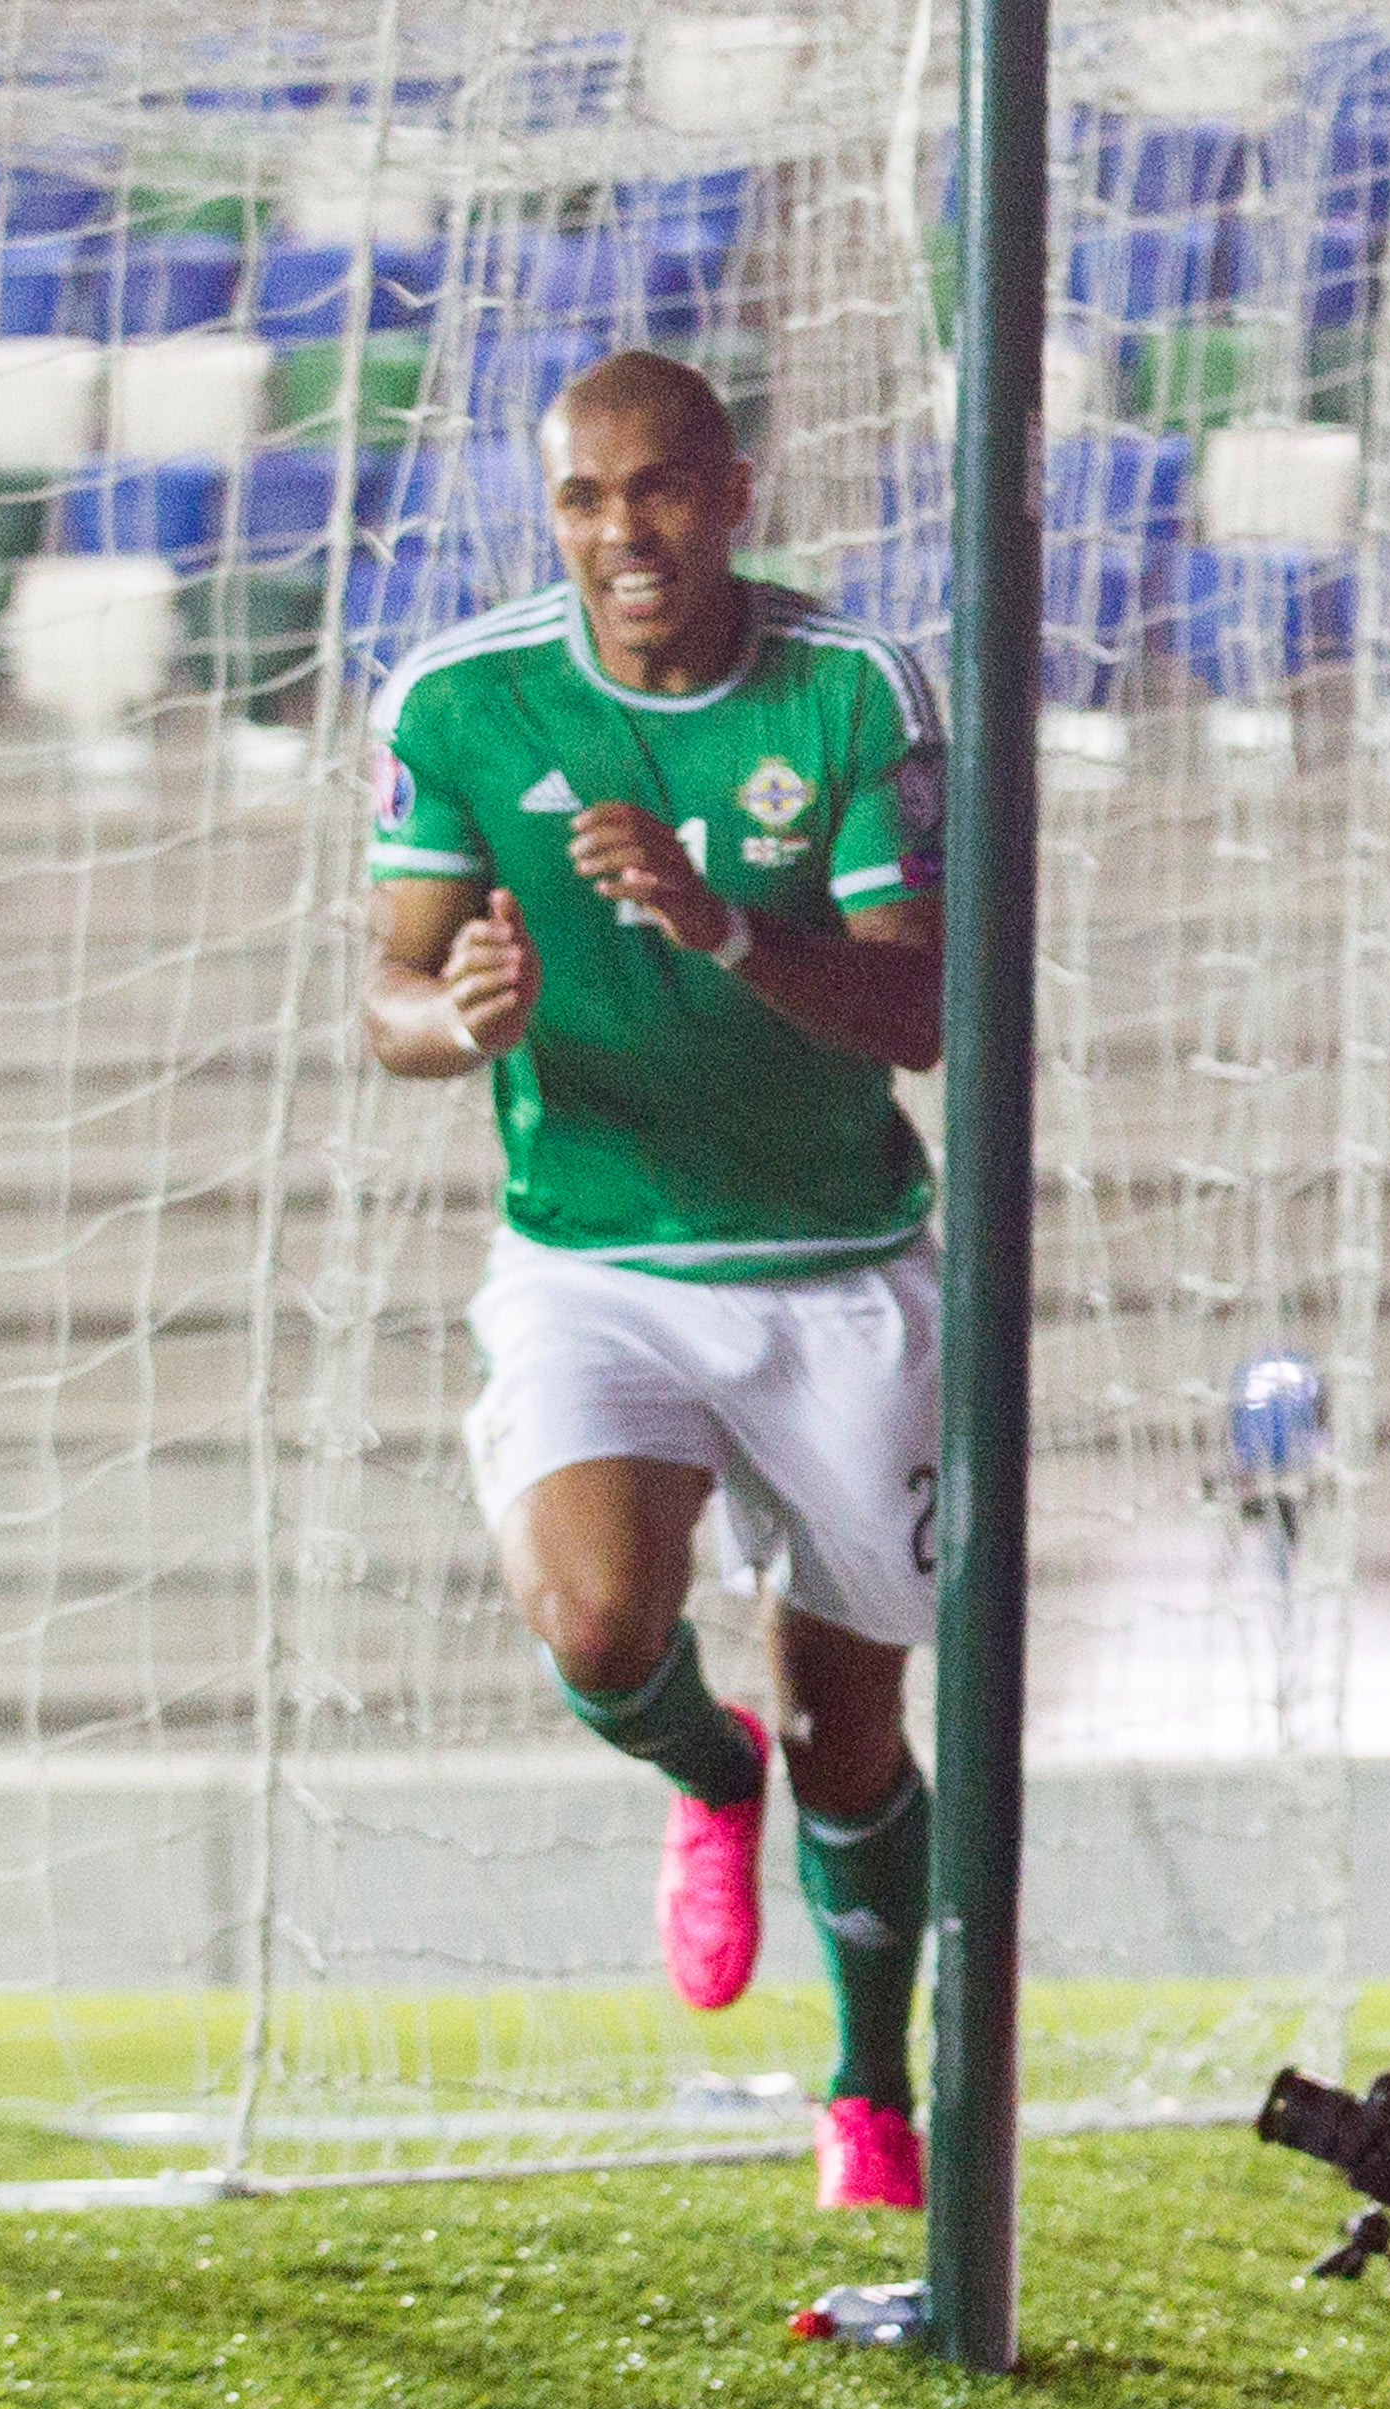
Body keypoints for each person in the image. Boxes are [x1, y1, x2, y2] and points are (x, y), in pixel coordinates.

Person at [359, 350, 950, 2214]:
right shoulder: (461, 702)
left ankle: (869, 2090)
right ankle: (707, 1774)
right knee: (602, 1626)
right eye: (587, 498)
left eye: (665, 490)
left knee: (859, 1725)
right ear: (556, 513)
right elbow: (388, 996)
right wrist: (458, 1022)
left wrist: (718, 926)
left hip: (841, 1268)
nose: (628, 532)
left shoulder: (854, 693)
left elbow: (922, 1009)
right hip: (590, 1263)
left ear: (738, 490)